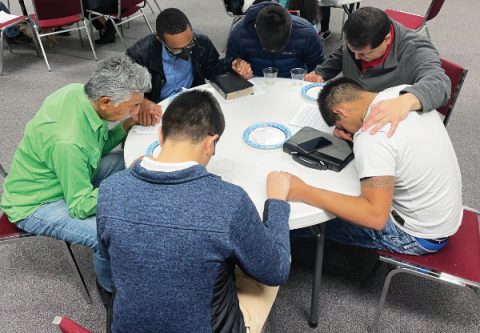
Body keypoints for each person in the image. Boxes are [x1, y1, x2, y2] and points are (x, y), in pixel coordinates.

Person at [96, 90, 292, 333]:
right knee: (266, 258)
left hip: (123, 327)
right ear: (210, 143)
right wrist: (277, 202)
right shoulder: (230, 200)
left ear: (160, 134)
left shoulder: (111, 189)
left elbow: (107, 255)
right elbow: (277, 271)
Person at [0, 55, 158, 292]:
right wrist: (127, 182)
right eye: (132, 106)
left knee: (125, 162)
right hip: (37, 203)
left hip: (67, 175)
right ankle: (112, 291)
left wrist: (127, 125)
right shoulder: (69, 142)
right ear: (105, 101)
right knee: (106, 235)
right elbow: (80, 205)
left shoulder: (79, 93)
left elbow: (94, 150)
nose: (137, 110)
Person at [285, 78, 462, 255]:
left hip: (417, 235)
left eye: (340, 126)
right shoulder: (401, 94)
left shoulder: (371, 136)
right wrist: (354, 138)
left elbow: (375, 216)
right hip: (443, 217)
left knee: (309, 220)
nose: (344, 131)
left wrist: (302, 190)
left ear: (339, 111)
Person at [305, 7, 451, 141]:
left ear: (387, 39)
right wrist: (322, 72)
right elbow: (342, 54)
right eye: (353, 50)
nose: (356, 57)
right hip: (356, 116)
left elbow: (440, 82)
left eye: (364, 53)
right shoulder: (362, 37)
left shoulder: (415, 50)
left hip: (385, 131)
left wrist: (404, 102)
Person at [127, 8, 224, 119]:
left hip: (192, 100)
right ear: (160, 40)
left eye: (189, 44)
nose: (186, 52)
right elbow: (126, 88)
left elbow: (211, 68)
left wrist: (231, 63)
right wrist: (142, 101)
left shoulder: (201, 41)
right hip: (158, 106)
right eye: (177, 50)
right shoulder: (138, 54)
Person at [226, 0, 324, 79]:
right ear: (256, 29)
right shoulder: (240, 32)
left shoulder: (305, 32)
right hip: (255, 83)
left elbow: (318, 65)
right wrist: (237, 65)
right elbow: (227, 63)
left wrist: (314, 76)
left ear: (290, 29)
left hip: (292, 84)